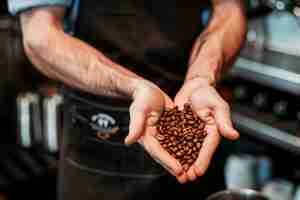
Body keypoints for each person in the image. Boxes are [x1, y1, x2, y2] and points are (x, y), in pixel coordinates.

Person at [7, 0, 246, 199]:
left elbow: (230, 11)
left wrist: (201, 78)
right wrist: (133, 86)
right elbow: (40, 36)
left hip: (193, 113)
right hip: (97, 130)